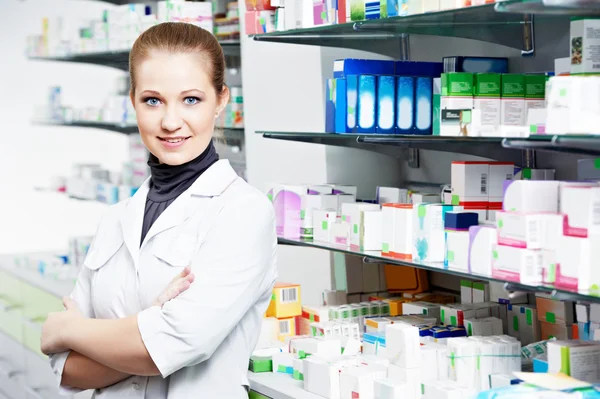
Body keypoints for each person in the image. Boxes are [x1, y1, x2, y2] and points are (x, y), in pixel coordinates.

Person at [41, 22, 278, 398]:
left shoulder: (244, 213)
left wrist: (67, 329)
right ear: (132, 100)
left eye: (191, 100)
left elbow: (172, 347)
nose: (170, 122)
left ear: (221, 100)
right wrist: (149, 323)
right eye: (153, 100)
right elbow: (67, 369)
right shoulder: (116, 218)